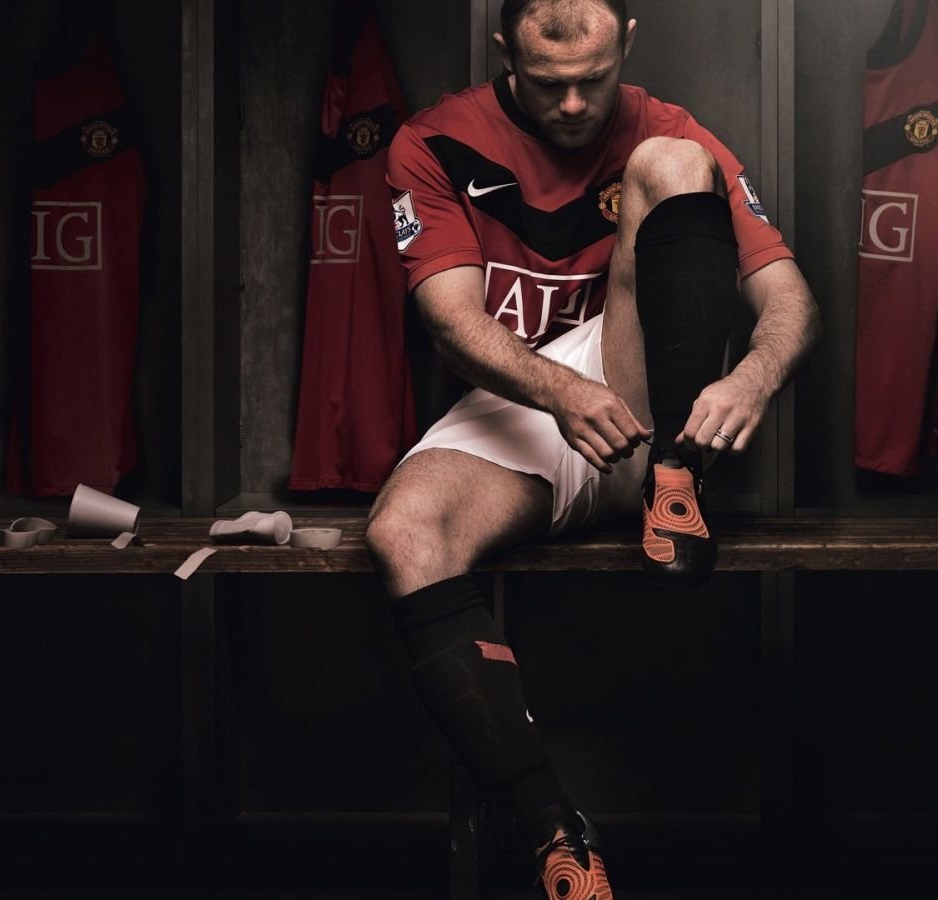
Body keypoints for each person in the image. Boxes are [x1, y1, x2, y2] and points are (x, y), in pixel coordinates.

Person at [365, 1, 819, 895]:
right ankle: (555, 835)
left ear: (628, 45)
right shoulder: (435, 140)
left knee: (675, 165)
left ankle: (675, 483)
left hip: (649, 396)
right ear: (505, 51)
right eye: (548, 83)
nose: (573, 106)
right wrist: (561, 393)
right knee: (405, 535)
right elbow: (452, 323)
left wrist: (754, 378)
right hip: (527, 395)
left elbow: (790, 298)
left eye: (593, 81)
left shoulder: (670, 130)